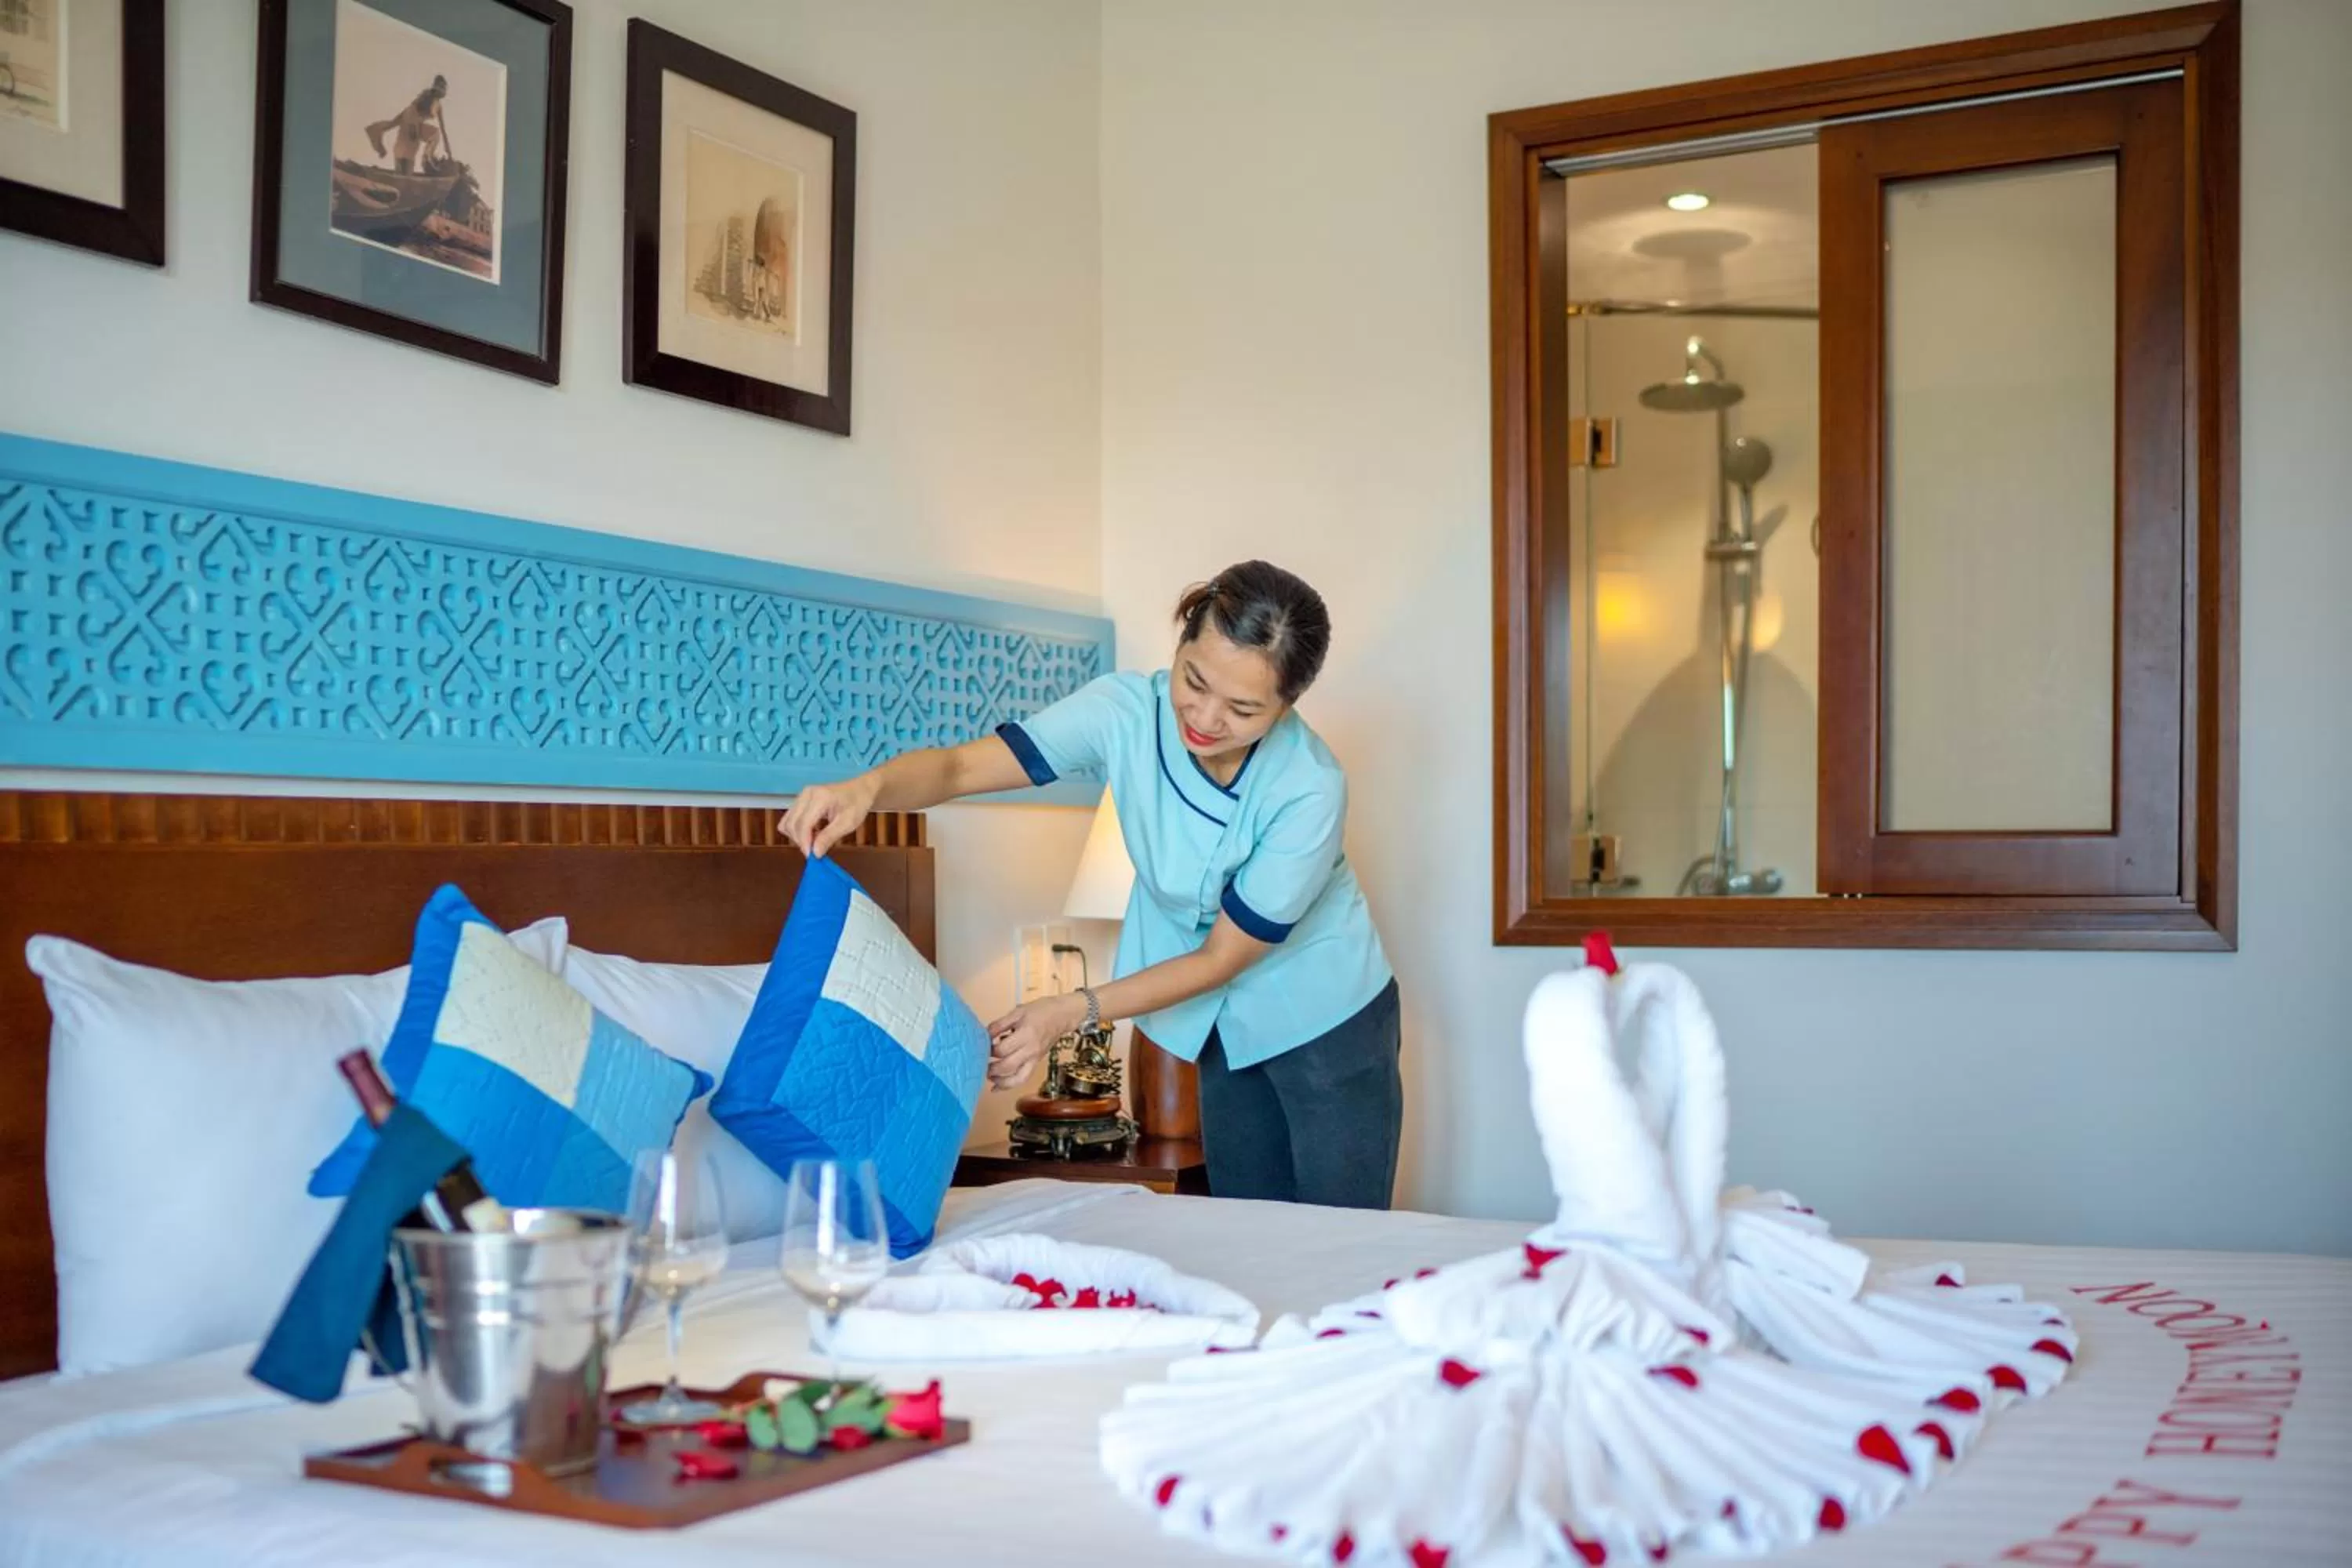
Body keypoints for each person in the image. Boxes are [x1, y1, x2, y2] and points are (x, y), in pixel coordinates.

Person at [780, 562, 1399, 1209]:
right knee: (1245, 1227)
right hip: (1217, 1020)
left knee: (1345, 1238)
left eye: (1244, 709)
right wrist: (867, 789)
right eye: (1195, 680)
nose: (1207, 718)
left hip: (1327, 1013)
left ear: (1287, 705)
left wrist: (1067, 1010)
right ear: (1181, 643)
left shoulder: (1308, 786)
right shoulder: (1125, 713)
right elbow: (962, 766)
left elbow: (1222, 957)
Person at [366, 74, 448, 174]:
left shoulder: (438, 105)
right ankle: (424, 158)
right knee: (404, 152)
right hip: (410, 121)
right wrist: (412, 126)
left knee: (433, 135)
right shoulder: (426, 96)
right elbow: (412, 109)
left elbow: (443, 128)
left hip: (415, 124)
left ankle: (427, 157)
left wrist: (448, 149)